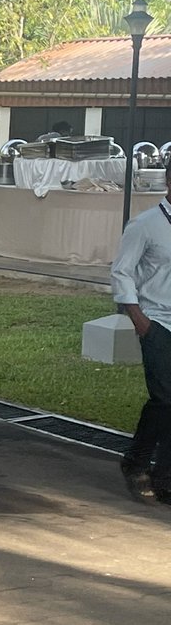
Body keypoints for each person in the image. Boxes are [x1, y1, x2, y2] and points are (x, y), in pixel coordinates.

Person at [113, 162, 171, 504]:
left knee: (164, 402)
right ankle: (163, 478)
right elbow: (121, 271)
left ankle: (137, 459)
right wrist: (138, 317)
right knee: (167, 398)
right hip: (157, 321)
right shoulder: (146, 225)